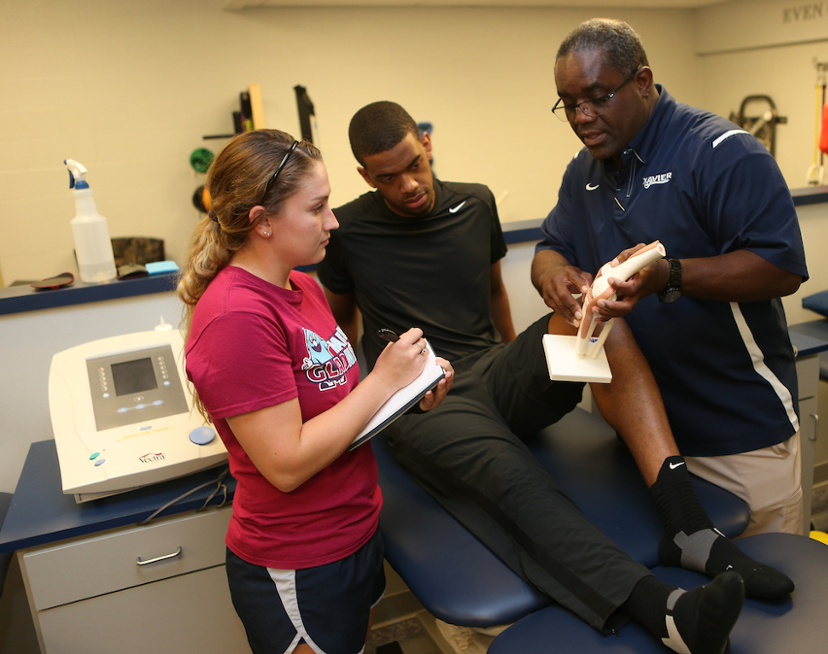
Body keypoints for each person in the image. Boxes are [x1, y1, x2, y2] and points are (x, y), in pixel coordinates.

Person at [319, 101, 794, 654]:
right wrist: (362, 407)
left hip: (491, 367)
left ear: (425, 144)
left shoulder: (475, 201)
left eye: (412, 166)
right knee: (514, 475)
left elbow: (495, 291)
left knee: (600, 322)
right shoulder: (348, 229)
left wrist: (515, 359)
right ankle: (662, 610)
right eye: (387, 178)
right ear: (364, 177)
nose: (407, 185)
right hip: (421, 394)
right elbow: (340, 323)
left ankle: (687, 525)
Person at [533, 18, 809, 541]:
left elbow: (782, 265)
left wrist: (670, 274)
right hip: (643, 436)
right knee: (687, 594)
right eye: (568, 103)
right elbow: (551, 248)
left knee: (768, 602)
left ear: (642, 81)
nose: (582, 117)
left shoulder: (722, 152)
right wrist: (556, 278)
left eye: (597, 97)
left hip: (737, 434)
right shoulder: (584, 170)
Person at [178, 129, 453, 654]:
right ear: (261, 221)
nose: (334, 221)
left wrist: (407, 392)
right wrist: (382, 381)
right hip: (299, 557)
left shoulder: (302, 286)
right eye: (318, 208)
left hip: (355, 529)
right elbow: (286, 463)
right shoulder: (236, 314)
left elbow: (338, 408)